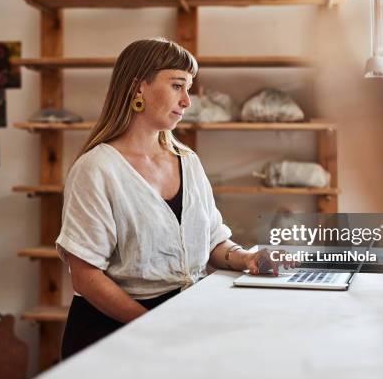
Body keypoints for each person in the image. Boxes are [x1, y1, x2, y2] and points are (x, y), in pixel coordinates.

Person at [57, 38, 289, 359]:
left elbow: (213, 243)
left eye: (188, 88)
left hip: (180, 321)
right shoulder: (96, 169)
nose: (187, 101)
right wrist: (155, 325)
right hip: (113, 336)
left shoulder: (187, 160)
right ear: (138, 87)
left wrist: (247, 258)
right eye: (177, 86)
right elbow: (86, 278)